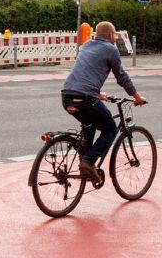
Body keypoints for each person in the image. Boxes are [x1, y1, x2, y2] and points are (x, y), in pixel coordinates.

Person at [60, 20, 146, 179]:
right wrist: (136, 97)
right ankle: (87, 162)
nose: (116, 38)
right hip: (85, 98)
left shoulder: (85, 46)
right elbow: (121, 77)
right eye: (115, 35)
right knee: (110, 129)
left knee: (90, 126)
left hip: (67, 95)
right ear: (111, 35)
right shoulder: (111, 49)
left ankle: (85, 166)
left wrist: (98, 94)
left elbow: (86, 72)